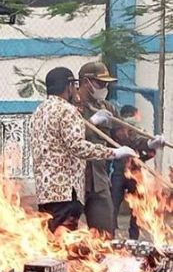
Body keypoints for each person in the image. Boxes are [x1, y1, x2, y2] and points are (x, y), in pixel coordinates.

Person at [30, 67, 137, 233]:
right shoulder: (67, 110)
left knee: (52, 240)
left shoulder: (39, 111)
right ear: (69, 86)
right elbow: (77, 146)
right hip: (66, 190)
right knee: (63, 243)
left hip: (46, 192)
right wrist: (113, 153)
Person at [77, 62, 165, 235]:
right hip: (74, 182)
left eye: (106, 84)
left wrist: (148, 143)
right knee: (65, 235)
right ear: (86, 82)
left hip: (99, 181)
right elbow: (69, 138)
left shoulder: (107, 108)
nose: (105, 87)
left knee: (105, 233)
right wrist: (90, 123)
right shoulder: (71, 108)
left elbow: (126, 135)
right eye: (100, 83)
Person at [110, 105, 154, 239]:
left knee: (138, 207)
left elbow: (150, 151)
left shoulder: (140, 132)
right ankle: (109, 234)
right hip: (119, 173)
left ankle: (133, 236)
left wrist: (142, 156)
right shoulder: (116, 132)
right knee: (113, 205)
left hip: (136, 175)